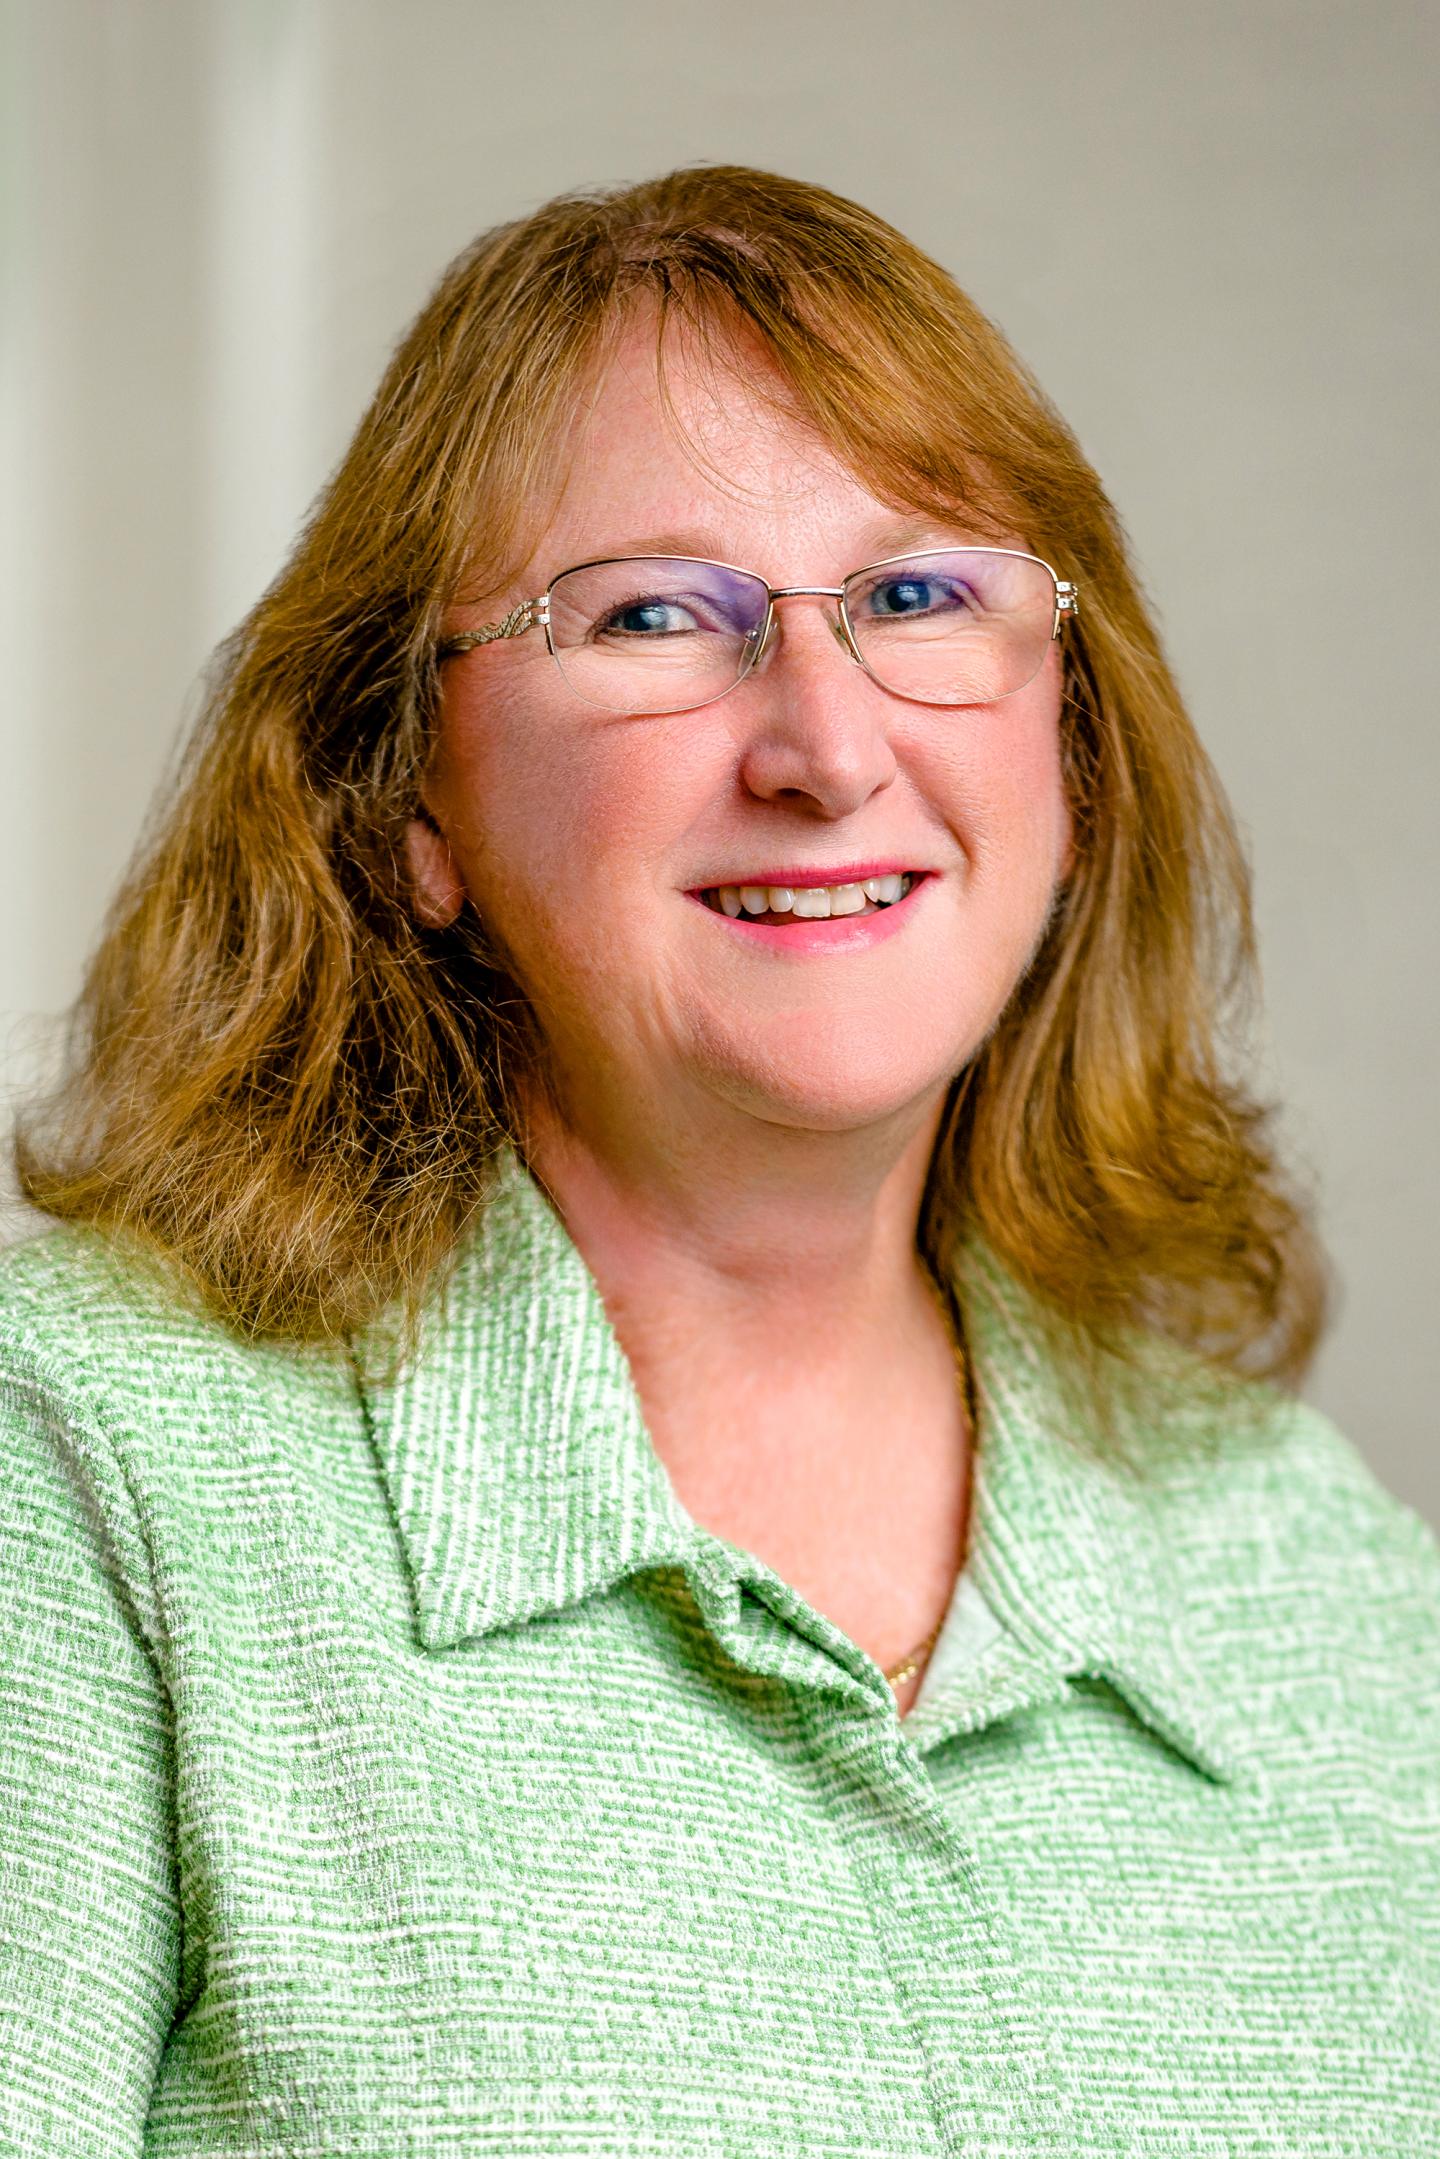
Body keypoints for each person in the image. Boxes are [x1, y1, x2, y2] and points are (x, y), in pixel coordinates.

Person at [1, 165, 1435, 2158]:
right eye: (658, 615)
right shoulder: (81, 1465)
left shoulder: (1324, 1578)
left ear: (1075, 759)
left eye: (923, 595)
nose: (825, 745)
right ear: (408, 794)